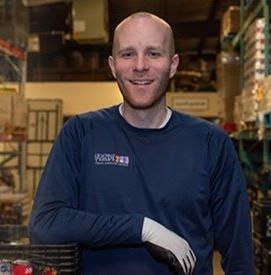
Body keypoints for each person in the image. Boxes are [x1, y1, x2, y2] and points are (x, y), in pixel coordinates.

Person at [28, 12, 253, 275]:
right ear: (113, 65)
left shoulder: (210, 143)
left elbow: (239, 256)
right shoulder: (80, 134)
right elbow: (45, 225)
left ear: (173, 64)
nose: (140, 65)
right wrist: (141, 228)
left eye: (154, 53)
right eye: (128, 54)